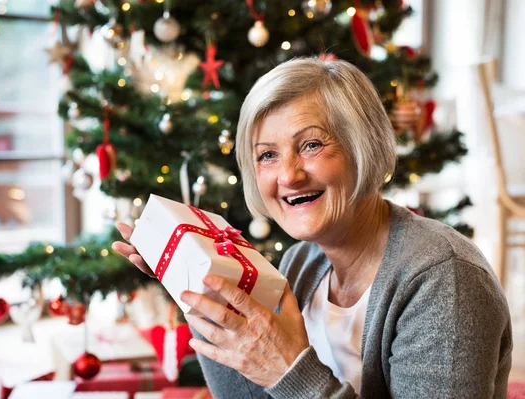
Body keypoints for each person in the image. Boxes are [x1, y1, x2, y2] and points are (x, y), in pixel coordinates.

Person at [112, 58, 512, 398]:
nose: (288, 175)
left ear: (363, 148)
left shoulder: (444, 279)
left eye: (311, 145)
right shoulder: (302, 263)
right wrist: (192, 285)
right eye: (267, 155)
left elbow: (287, 381)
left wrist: (291, 371)